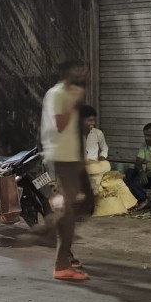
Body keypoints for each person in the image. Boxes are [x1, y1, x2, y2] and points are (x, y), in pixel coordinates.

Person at [40, 59, 94, 282]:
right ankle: (61, 262)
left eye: (82, 71)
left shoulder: (70, 94)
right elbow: (60, 125)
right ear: (66, 73)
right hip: (60, 160)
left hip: (72, 160)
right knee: (67, 213)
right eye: (77, 71)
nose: (81, 75)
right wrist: (73, 102)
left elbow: (73, 130)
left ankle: (53, 238)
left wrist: (81, 158)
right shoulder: (57, 94)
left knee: (87, 204)